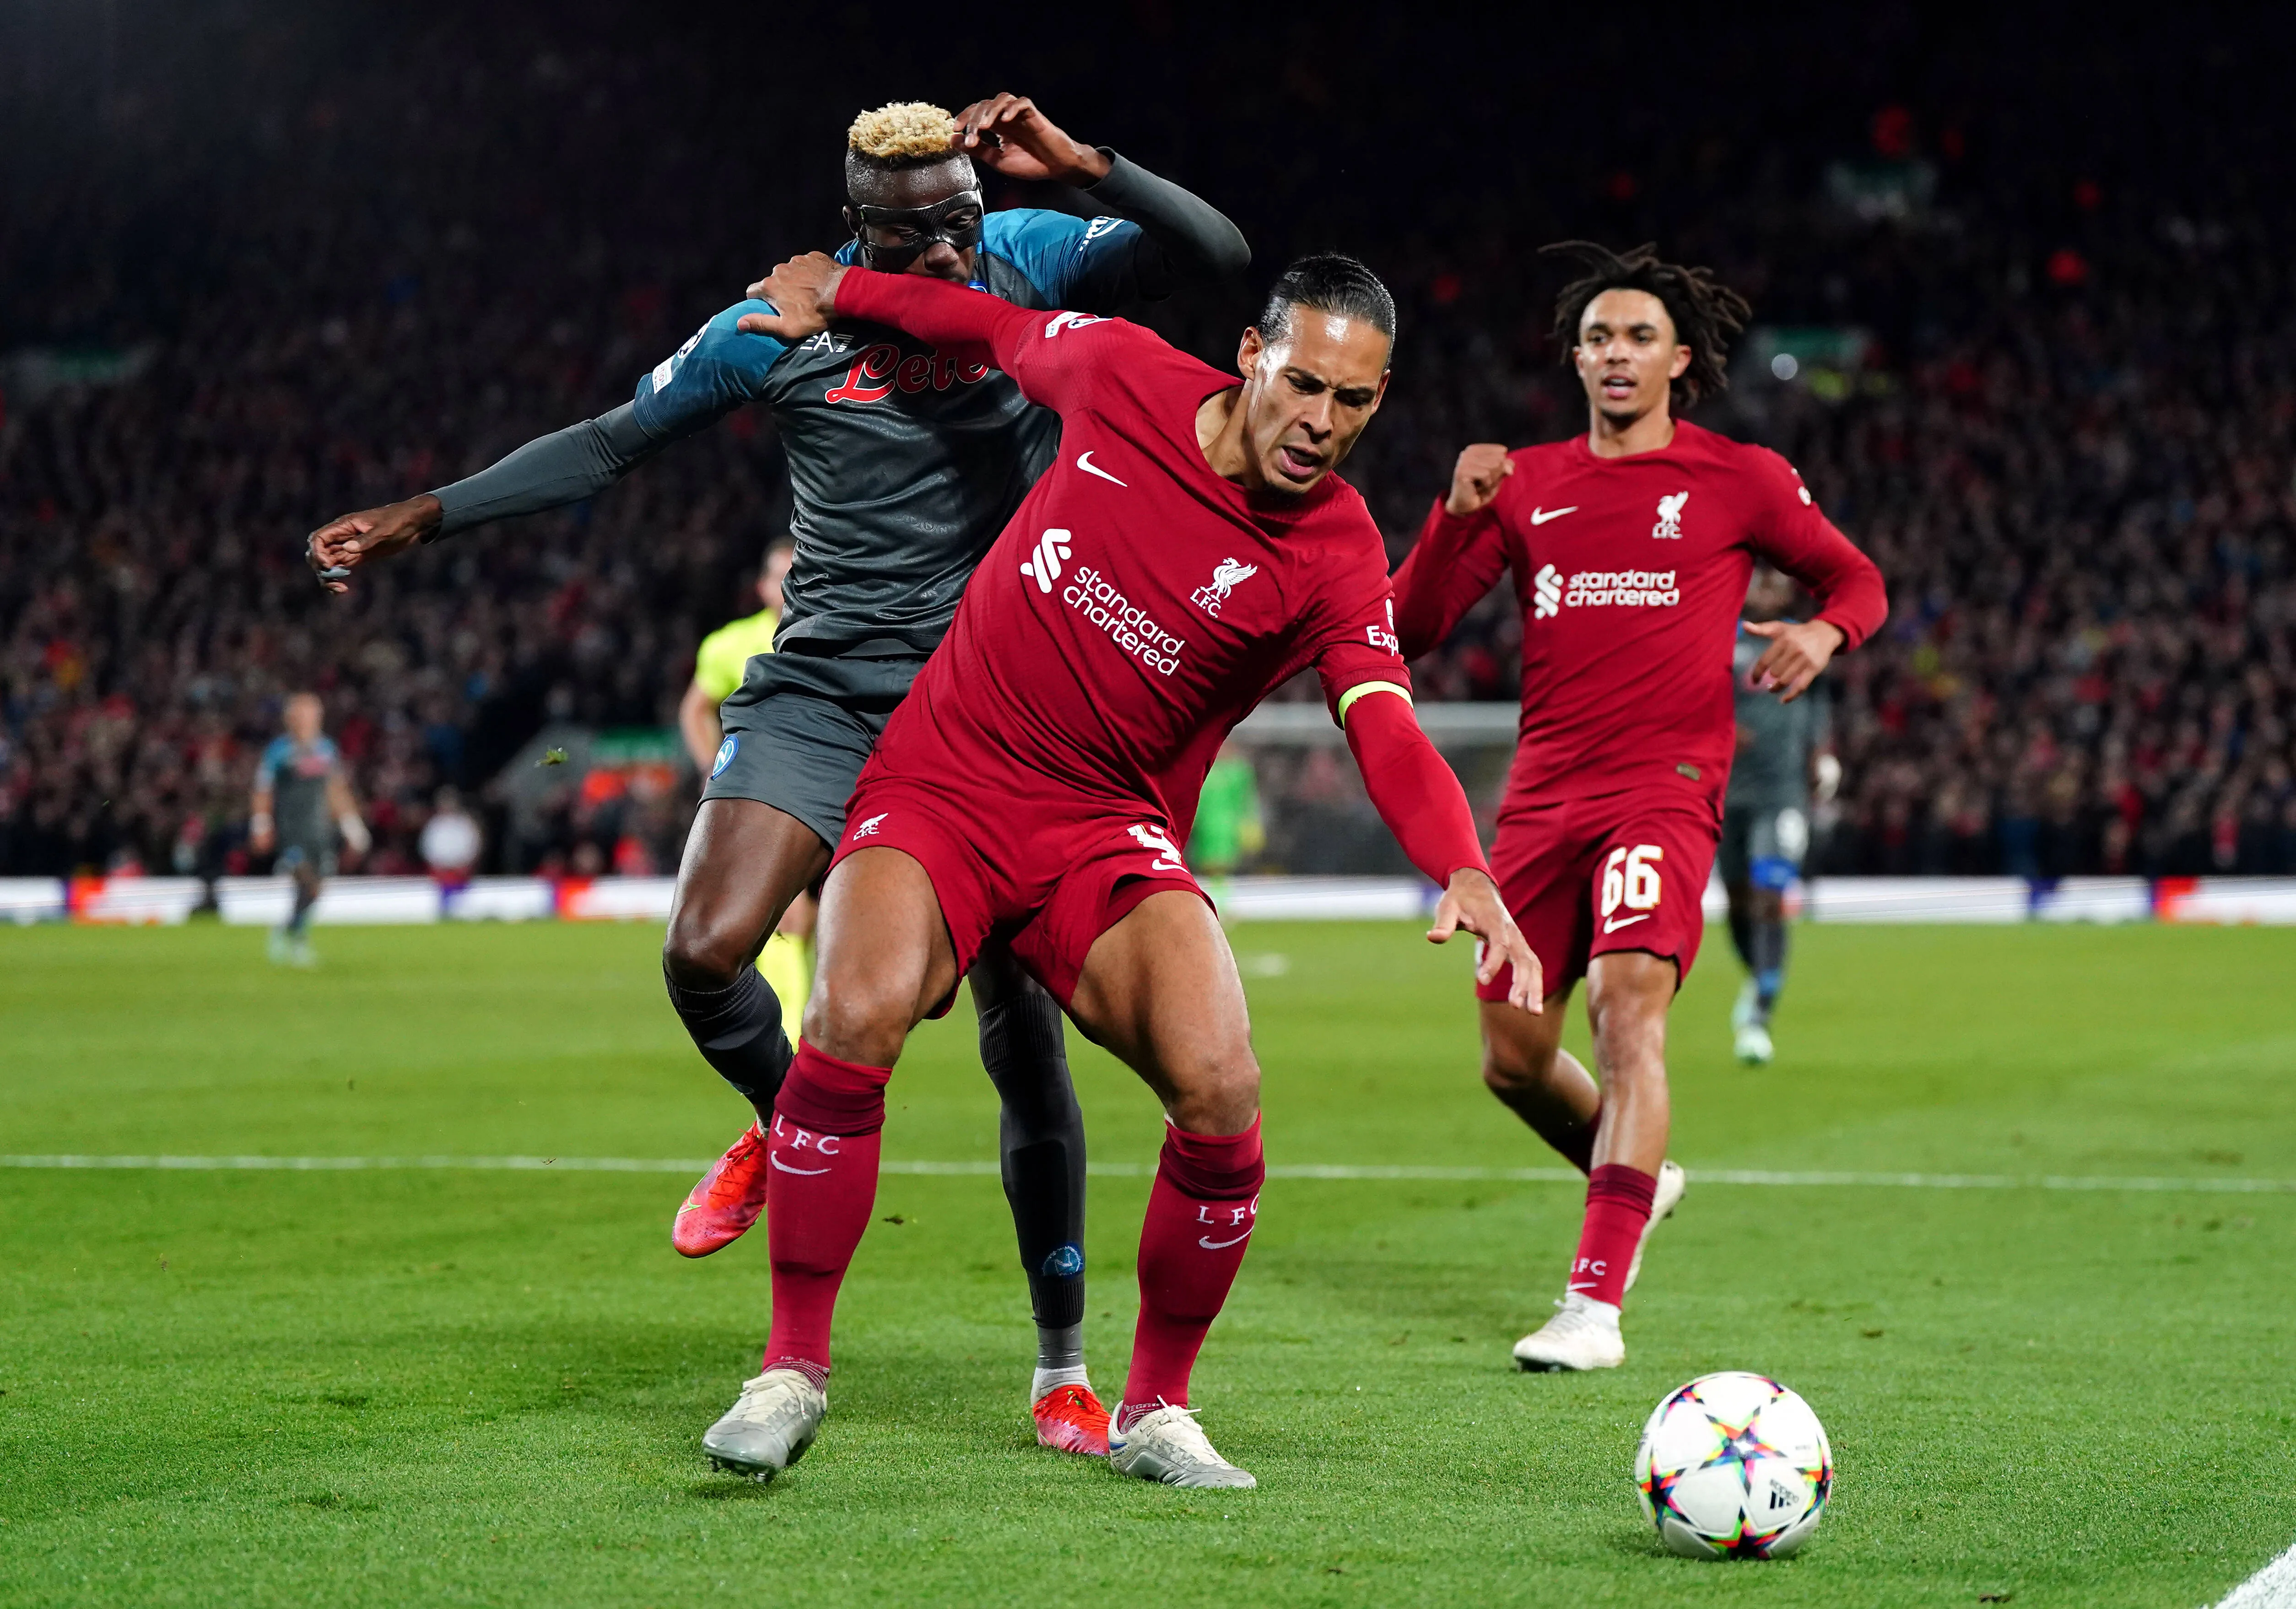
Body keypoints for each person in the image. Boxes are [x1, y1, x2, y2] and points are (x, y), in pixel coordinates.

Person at [302, 96, 1248, 1455]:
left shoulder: (1032, 256)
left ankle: (1060, 1366)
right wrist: (432, 512)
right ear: (854, 229)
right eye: (911, 233)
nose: (945, 257)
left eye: (960, 225)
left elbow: (1219, 262)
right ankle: (778, 1116)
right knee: (702, 949)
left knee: (1023, 1047)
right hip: (824, 694)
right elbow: (608, 444)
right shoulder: (779, 328)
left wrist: (1095, 166)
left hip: (1000, 711)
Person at [700, 248, 1538, 1490]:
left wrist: (1462, 866)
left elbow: (1383, 716)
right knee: (856, 1006)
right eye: (1303, 382)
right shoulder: (1125, 373)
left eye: (1354, 401)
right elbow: (988, 322)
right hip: (949, 777)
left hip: (1106, 829)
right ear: (1253, 354)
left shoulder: (1337, 548)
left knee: (1222, 1081)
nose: (1321, 422)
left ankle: (1157, 1409)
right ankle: (790, 1371)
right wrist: (848, 296)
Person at [1390, 241, 1887, 1373]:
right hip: (1539, 804)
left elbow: (1856, 579)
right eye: (1599, 338)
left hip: (1662, 793)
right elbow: (1407, 627)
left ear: (1679, 361)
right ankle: (1639, 1180)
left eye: (1639, 338)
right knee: (1512, 1059)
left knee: (1628, 1011)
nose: (1617, 355)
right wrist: (1453, 513)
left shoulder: (1739, 479)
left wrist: (1822, 630)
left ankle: (1591, 1303)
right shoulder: (1519, 484)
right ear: (1575, 358)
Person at [679, 542, 813, 1020]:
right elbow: (695, 708)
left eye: (798, 573)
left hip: (844, 794)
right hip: (770, 800)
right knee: (788, 921)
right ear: (761, 587)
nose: (788, 586)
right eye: (780, 576)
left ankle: (812, 1048)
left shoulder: (838, 635)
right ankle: (793, 1051)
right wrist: (713, 765)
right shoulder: (730, 644)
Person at [1722, 566, 1840, 1064]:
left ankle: (1760, 1012)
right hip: (1728, 794)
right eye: (1760, 582)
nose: (1768, 591)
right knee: (1738, 901)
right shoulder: (1718, 640)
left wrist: (1823, 755)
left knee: (1771, 893)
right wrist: (1720, 730)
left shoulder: (1801, 641)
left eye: (1775, 583)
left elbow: (1817, 707)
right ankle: (1757, 977)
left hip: (1782, 794)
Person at [250, 692, 369, 966]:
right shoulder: (279, 751)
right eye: (303, 715)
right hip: (291, 830)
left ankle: (289, 931)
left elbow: (336, 789)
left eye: (313, 715)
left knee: (316, 889)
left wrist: (353, 827)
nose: (309, 720)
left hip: (319, 831)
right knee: (305, 880)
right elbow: (262, 790)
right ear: (291, 719)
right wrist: (261, 825)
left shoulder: (326, 749)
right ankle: (295, 940)